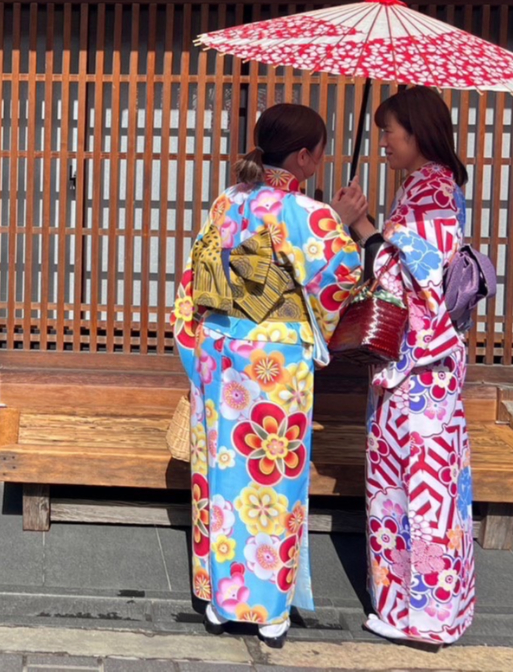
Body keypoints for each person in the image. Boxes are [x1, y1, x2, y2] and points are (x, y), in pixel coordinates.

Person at [171, 104, 366, 647]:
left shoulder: (227, 201)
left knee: (221, 472)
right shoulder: (309, 213)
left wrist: (195, 351)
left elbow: (196, 277)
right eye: (320, 152)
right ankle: (266, 607)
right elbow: (340, 280)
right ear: (305, 156)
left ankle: (217, 597)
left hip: (219, 350)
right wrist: (345, 225)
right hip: (274, 363)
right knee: (273, 476)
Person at [341, 86, 476, 646]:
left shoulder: (432, 193)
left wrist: (362, 227)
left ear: (417, 132)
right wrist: (373, 226)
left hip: (420, 367)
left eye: (388, 134)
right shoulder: (426, 187)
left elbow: (406, 281)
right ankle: (409, 607)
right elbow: (400, 267)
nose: (382, 144)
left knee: (421, 488)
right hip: (417, 366)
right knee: (413, 485)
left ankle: (428, 616)